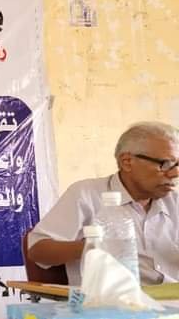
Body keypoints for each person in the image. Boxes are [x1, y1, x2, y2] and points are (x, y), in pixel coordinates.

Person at [28, 121, 179, 285]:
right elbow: (38, 250)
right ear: (127, 161)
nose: (175, 173)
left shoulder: (174, 201)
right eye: (165, 164)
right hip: (112, 297)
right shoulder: (86, 194)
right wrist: (93, 246)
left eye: (177, 165)